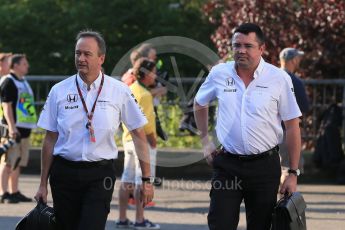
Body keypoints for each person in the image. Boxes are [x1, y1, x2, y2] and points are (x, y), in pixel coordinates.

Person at [34, 30, 154, 230]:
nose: (81, 58)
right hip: (64, 173)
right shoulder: (59, 91)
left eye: (87, 54)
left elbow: (139, 135)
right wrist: (42, 184)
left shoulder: (119, 91)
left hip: (100, 175)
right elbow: (49, 140)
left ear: (101, 58)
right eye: (77, 53)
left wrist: (147, 180)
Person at [194, 23, 302, 230]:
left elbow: (292, 125)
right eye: (237, 45)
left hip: (264, 166)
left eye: (248, 46)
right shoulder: (219, 73)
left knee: (260, 226)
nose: (241, 50)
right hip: (227, 164)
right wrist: (205, 141)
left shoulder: (278, 78)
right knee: (219, 224)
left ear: (261, 48)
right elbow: (199, 102)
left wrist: (292, 172)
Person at [117, 58, 160, 229]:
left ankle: (121, 219)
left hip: (128, 139)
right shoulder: (145, 94)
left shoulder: (130, 89)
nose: (155, 76)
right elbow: (147, 125)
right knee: (142, 180)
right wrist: (153, 142)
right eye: (154, 72)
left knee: (126, 180)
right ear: (147, 74)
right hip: (142, 142)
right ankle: (139, 219)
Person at [0, 54, 37, 204]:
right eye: (24, 64)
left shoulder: (23, 82)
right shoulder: (8, 82)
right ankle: (3, 193)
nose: (27, 66)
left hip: (24, 130)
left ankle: (14, 191)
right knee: (8, 162)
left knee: (17, 162)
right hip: (13, 130)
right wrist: (12, 128)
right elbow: (6, 106)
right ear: (15, 66)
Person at [279, 47, 309, 181]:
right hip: (288, 131)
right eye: (298, 58)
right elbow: (304, 107)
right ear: (293, 60)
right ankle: (283, 201)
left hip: (269, 131)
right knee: (288, 169)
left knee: (277, 168)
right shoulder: (295, 81)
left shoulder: (271, 77)